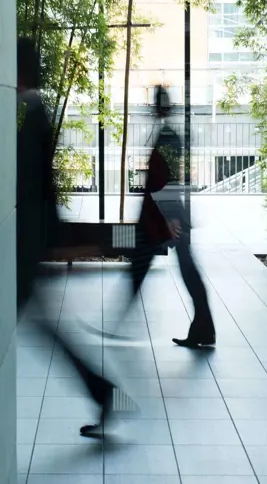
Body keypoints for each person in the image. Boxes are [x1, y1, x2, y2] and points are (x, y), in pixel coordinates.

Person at [16, 37, 123, 438]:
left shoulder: (34, 117)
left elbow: (36, 187)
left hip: (25, 245)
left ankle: (105, 392)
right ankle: (104, 392)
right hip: (29, 243)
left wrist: (44, 242)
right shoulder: (35, 114)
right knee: (50, 332)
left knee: (49, 331)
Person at [102, 85, 215, 348]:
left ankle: (203, 328)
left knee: (170, 268)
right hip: (162, 216)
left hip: (163, 218)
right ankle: (204, 328)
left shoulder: (167, 137)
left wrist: (170, 217)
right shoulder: (168, 134)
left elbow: (168, 179)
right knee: (174, 269)